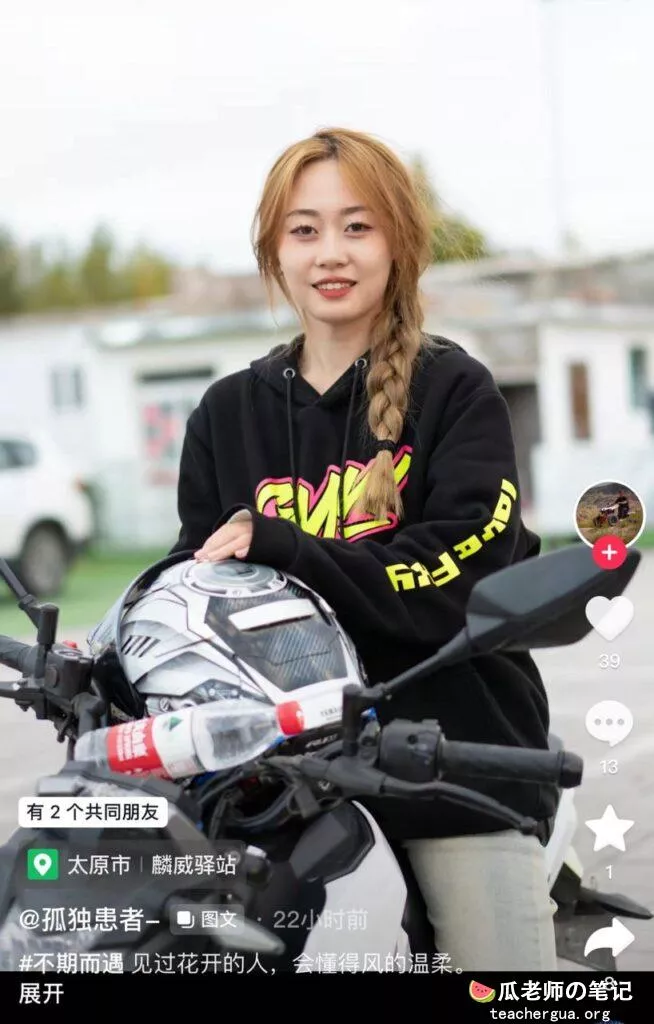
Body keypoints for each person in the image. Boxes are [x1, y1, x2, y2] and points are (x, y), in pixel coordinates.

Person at [168, 127, 559, 971]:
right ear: (274, 252)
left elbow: (458, 576)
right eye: (304, 230)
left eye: (357, 226)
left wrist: (288, 548)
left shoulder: (456, 392)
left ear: (398, 244)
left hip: (449, 775)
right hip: (276, 784)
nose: (330, 253)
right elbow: (190, 580)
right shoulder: (226, 414)